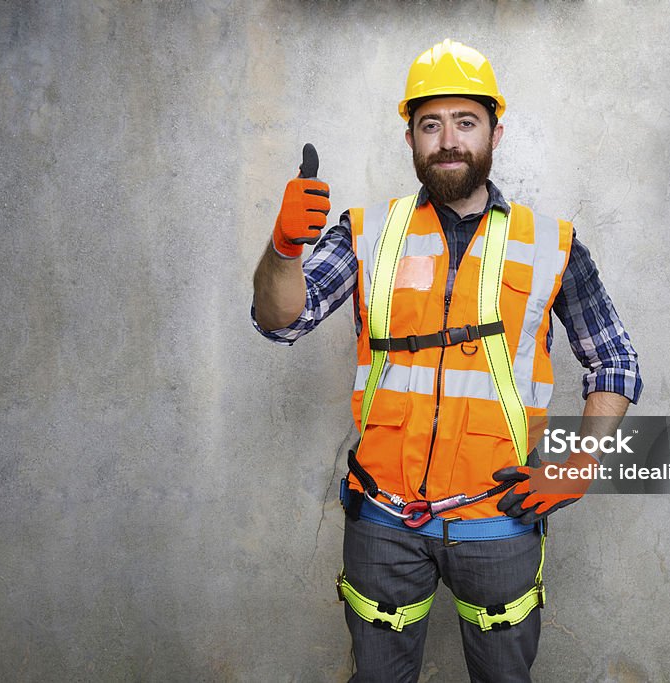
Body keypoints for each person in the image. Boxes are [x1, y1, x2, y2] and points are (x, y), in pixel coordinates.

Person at [252, 39, 642, 683]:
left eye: (466, 121)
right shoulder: (366, 231)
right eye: (430, 124)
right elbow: (280, 318)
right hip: (382, 519)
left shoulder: (551, 243)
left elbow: (615, 361)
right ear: (409, 138)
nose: (448, 140)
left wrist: (579, 464)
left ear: (494, 131)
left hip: (501, 519)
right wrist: (285, 245)